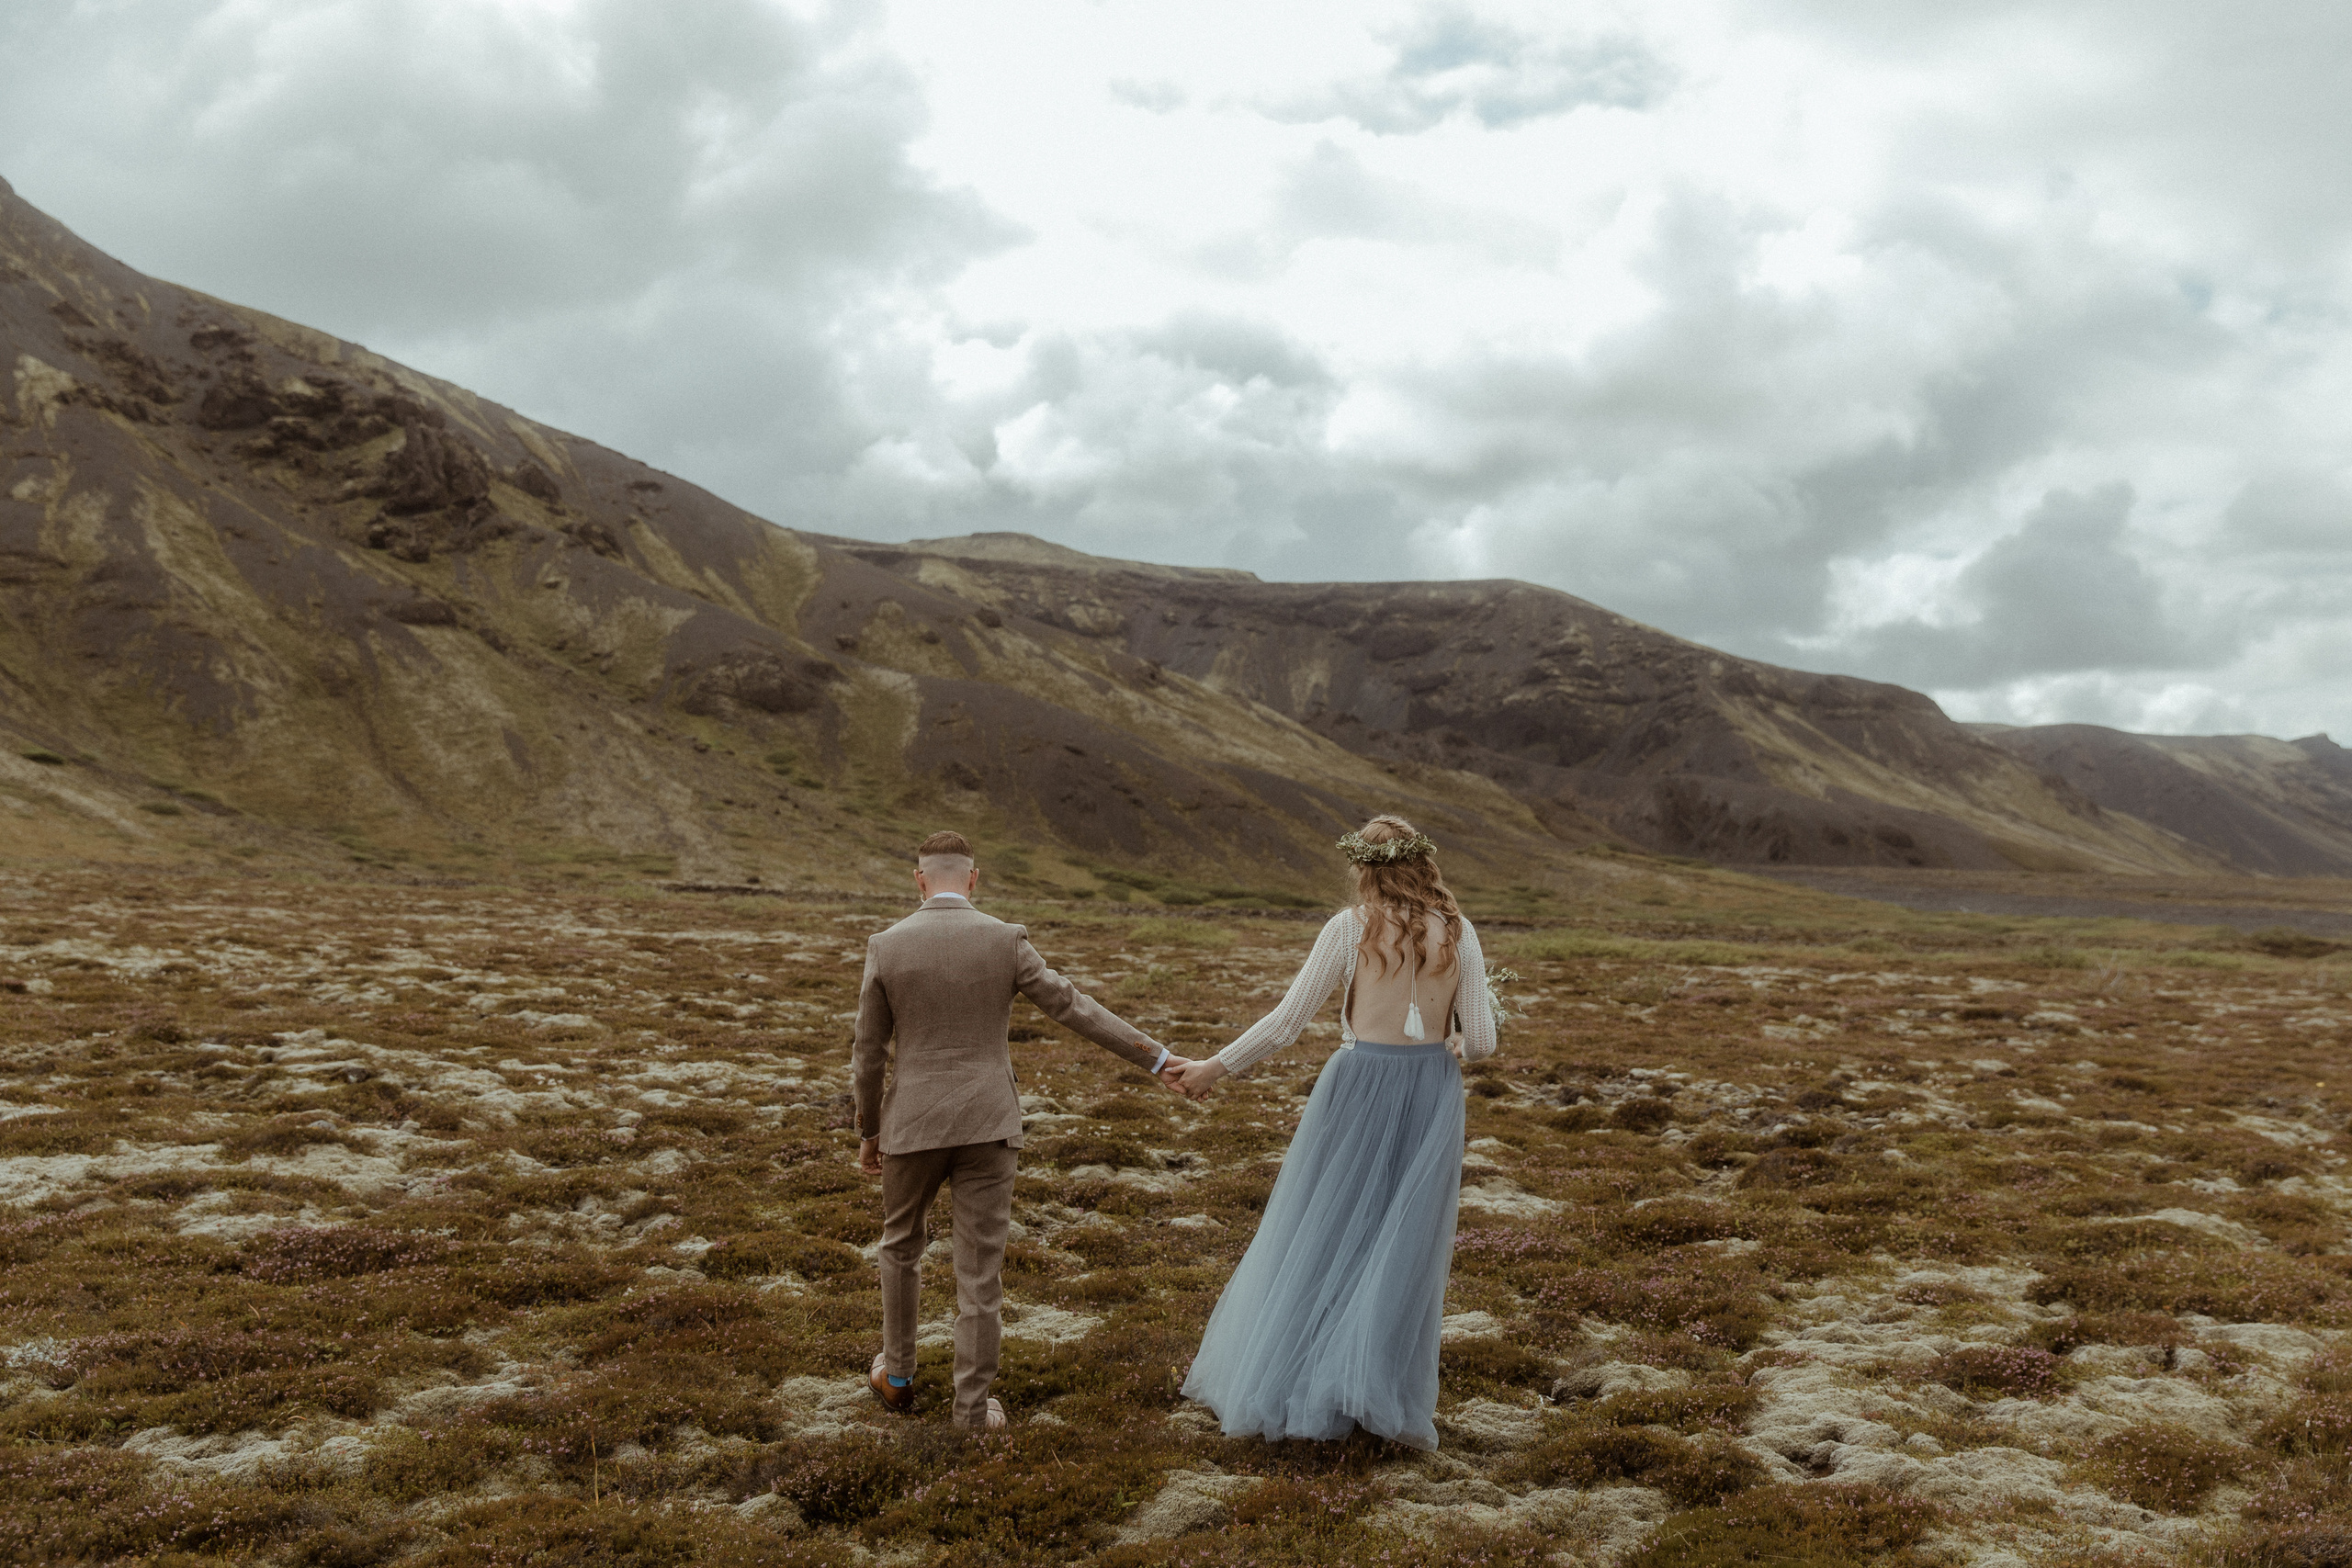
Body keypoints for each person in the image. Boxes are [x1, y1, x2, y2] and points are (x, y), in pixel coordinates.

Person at [1170, 815, 1496, 1450]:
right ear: (1423, 863)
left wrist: (1215, 1066)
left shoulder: (1349, 929)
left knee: (1323, 1230)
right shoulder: (1459, 932)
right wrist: (1451, 1036)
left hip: (1357, 1087)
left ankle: (1302, 1376)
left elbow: (1287, 1021)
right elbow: (1481, 1040)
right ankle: (1376, 1387)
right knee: (1401, 1244)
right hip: (1432, 1094)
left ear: (1363, 867)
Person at [850, 830, 1189, 1429]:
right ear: (974, 878)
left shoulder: (887, 945)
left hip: (912, 1123)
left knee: (900, 1245)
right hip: (989, 1124)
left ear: (919, 878)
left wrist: (869, 1131)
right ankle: (974, 1410)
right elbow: (1073, 1006)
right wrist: (1157, 1059)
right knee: (979, 1270)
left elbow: (868, 1054)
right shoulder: (1005, 939)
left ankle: (897, 1377)